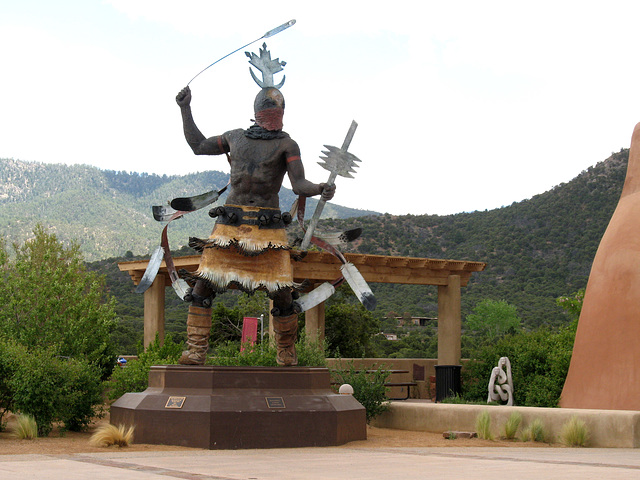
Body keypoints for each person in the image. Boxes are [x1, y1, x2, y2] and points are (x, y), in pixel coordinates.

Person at [175, 84, 335, 366]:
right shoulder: (235, 137)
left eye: (277, 110)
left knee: (282, 291)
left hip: (269, 226)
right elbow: (198, 146)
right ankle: (196, 350)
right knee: (203, 285)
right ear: (259, 111)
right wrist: (185, 108)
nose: (273, 114)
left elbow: (299, 184)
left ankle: (286, 350)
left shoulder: (287, 145)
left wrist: (320, 187)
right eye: (270, 109)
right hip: (230, 225)